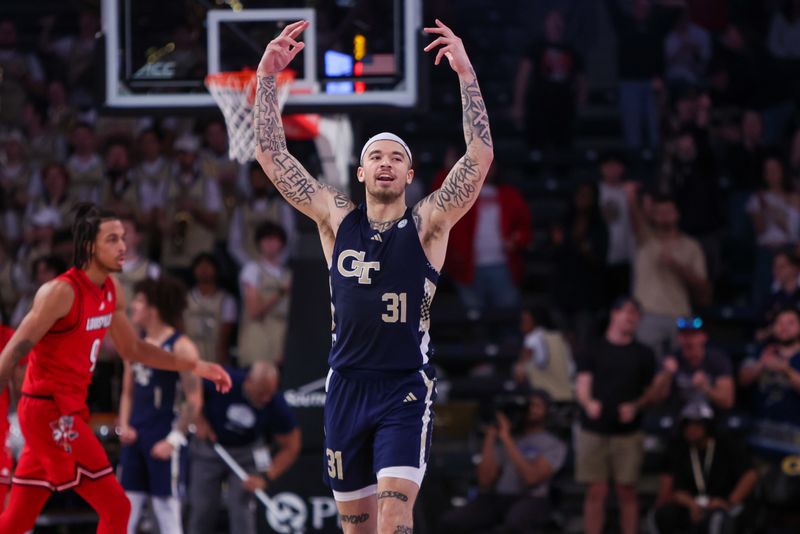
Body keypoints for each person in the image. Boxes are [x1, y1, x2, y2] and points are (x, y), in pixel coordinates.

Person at [253, 18, 493, 533]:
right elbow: (272, 156)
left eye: (397, 157)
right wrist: (267, 78)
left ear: (410, 175)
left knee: (393, 513)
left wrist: (466, 74)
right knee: (356, 526)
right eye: (375, 156)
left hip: (404, 387)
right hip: (345, 387)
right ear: (360, 173)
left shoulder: (429, 222)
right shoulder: (336, 219)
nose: (386, 163)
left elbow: (479, 156)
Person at [0, 204, 231, 534]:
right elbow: (10, 354)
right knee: (118, 508)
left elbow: (133, 349)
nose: (124, 246)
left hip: (70, 409)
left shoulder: (111, 290)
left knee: (16, 520)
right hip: (49, 412)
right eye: (113, 239)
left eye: (124, 238)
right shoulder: (60, 292)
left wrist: (195, 364)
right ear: (90, 247)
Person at [118, 276, 203, 534]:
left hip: (163, 434)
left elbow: (194, 399)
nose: (133, 306)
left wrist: (173, 440)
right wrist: (123, 425)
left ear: (154, 309)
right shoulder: (133, 344)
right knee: (125, 507)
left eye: (139, 301)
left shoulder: (181, 346)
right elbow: (127, 391)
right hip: (135, 434)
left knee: (167, 512)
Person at [575, 296, 666, 534]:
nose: (631, 318)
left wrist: (636, 406)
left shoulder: (643, 353)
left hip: (628, 432)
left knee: (627, 490)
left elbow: (651, 395)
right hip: (594, 429)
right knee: (596, 490)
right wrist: (588, 403)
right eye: (627, 312)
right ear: (614, 314)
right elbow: (582, 384)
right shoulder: (593, 348)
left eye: (636, 314)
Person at [188, 361, 301, 534]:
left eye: (269, 394)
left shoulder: (275, 402)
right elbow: (190, 379)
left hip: (247, 454)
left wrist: (266, 477)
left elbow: (292, 445)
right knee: (203, 508)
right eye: (261, 393)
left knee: (242, 510)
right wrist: (198, 418)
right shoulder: (226, 379)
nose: (265, 399)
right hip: (211, 448)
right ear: (249, 381)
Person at [439, 390, 567, 533]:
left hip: (533, 498)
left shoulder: (553, 444)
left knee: (516, 521)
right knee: (453, 521)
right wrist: (491, 435)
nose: (531, 409)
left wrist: (507, 439)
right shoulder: (504, 438)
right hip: (499, 497)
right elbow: (484, 481)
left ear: (547, 410)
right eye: (528, 405)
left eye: (537, 405)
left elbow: (532, 478)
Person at [653, 402, 758, 534]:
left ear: (708, 426)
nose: (692, 429)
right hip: (694, 504)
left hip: (725, 503)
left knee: (718, 518)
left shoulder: (726, 445)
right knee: (665, 515)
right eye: (688, 424)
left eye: (697, 424)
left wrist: (728, 502)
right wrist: (692, 505)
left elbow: (750, 475)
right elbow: (676, 490)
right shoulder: (679, 449)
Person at [630, 194, 711, 358]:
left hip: (680, 315)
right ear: (653, 215)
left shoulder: (691, 246)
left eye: (669, 211)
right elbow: (635, 218)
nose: (664, 215)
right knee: (646, 366)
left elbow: (705, 290)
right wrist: (631, 197)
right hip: (647, 315)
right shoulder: (644, 240)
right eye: (659, 212)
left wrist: (677, 267)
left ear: (677, 214)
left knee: (681, 370)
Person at [739, 307, 800, 458]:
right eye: (779, 323)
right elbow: (743, 380)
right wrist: (761, 365)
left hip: (794, 440)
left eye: (790, 323)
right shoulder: (760, 351)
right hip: (760, 436)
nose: (784, 327)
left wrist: (786, 370)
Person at [238, 221, 292, 367]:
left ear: (282, 243)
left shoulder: (288, 274)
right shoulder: (252, 269)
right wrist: (281, 292)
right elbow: (254, 310)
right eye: (265, 239)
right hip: (258, 336)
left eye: (274, 239)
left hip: (281, 336)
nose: (270, 243)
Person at [658, 316, 735, 418]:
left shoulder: (718, 359)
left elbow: (727, 402)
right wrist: (666, 375)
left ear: (704, 337)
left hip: (711, 419)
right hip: (680, 419)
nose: (689, 340)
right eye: (685, 335)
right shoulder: (671, 360)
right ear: (678, 338)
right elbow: (656, 400)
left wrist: (706, 387)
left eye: (694, 334)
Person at [513, 306, 574, 403]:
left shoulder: (532, 339)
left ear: (535, 320)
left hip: (545, 401)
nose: (521, 324)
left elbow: (519, 372)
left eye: (525, 320)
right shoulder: (560, 337)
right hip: (568, 396)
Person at [185, 253, 237, 364]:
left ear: (216, 270)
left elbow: (225, 337)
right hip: (188, 358)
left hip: (213, 359)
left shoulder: (226, 300)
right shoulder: (185, 298)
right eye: (200, 266)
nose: (203, 270)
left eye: (208, 266)